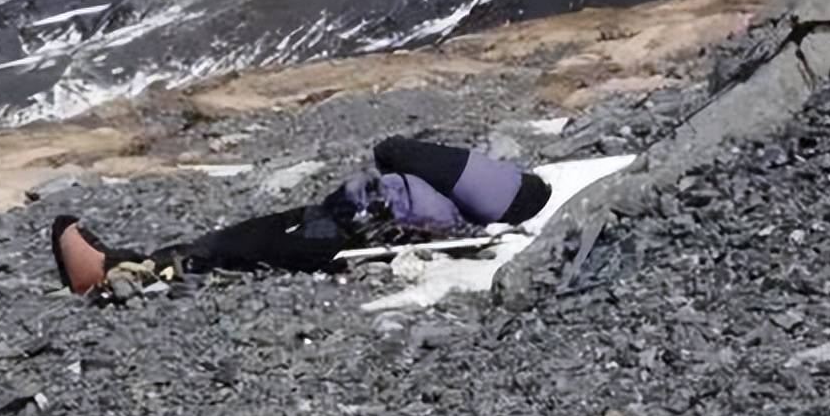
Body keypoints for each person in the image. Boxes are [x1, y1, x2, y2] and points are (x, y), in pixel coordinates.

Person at [51, 135, 551, 300]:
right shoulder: (467, 208)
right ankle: (130, 265)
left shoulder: (452, 196)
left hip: (334, 229)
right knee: (241, 242)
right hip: (341, 223)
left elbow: (390, 151)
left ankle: (118, 270)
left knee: (237, 245)